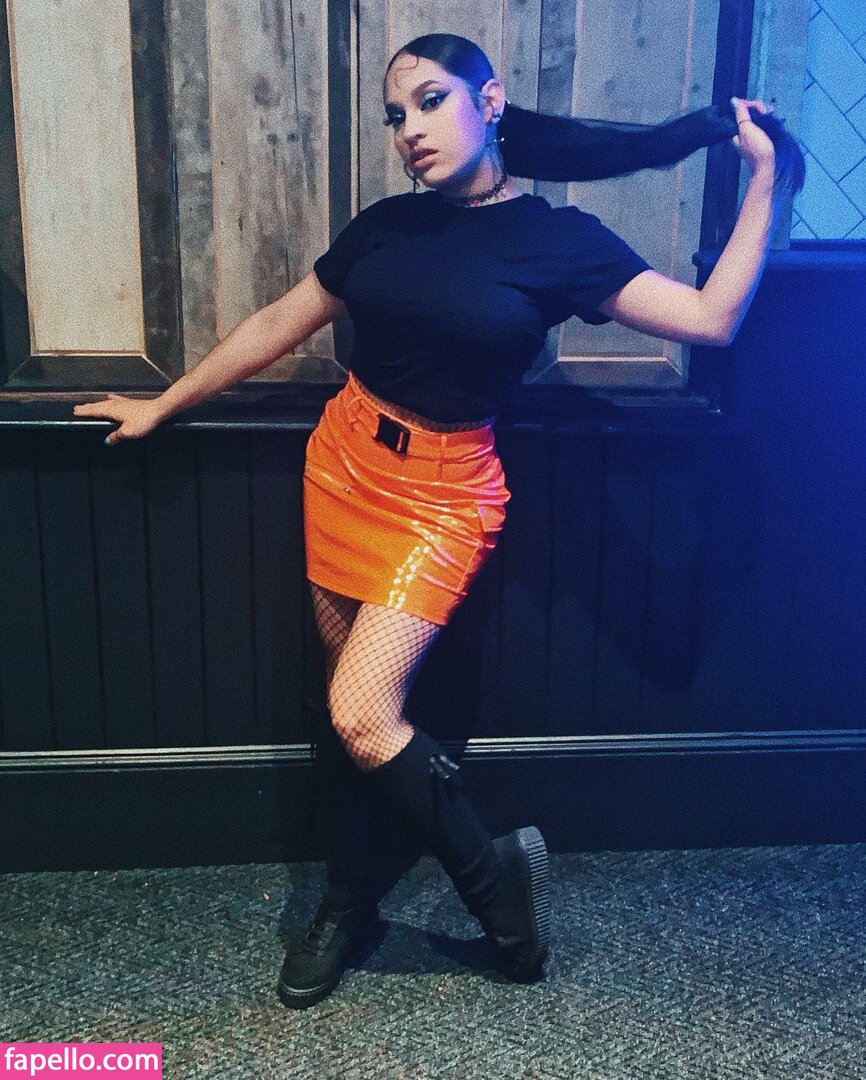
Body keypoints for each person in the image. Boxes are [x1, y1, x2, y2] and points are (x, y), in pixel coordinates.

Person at [73, 34, 802, 1008]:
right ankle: (345, 901)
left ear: (489, 101)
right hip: (340, 465)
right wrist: (164, 404)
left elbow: (710, 319)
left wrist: (765, 183)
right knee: (345, 714)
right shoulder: (385, 225)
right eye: (395, 115)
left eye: (430, 101)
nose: (409, 129)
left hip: (444, 495)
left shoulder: (557, 240)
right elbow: (277, 322)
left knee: (361, 712)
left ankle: (494, 883)